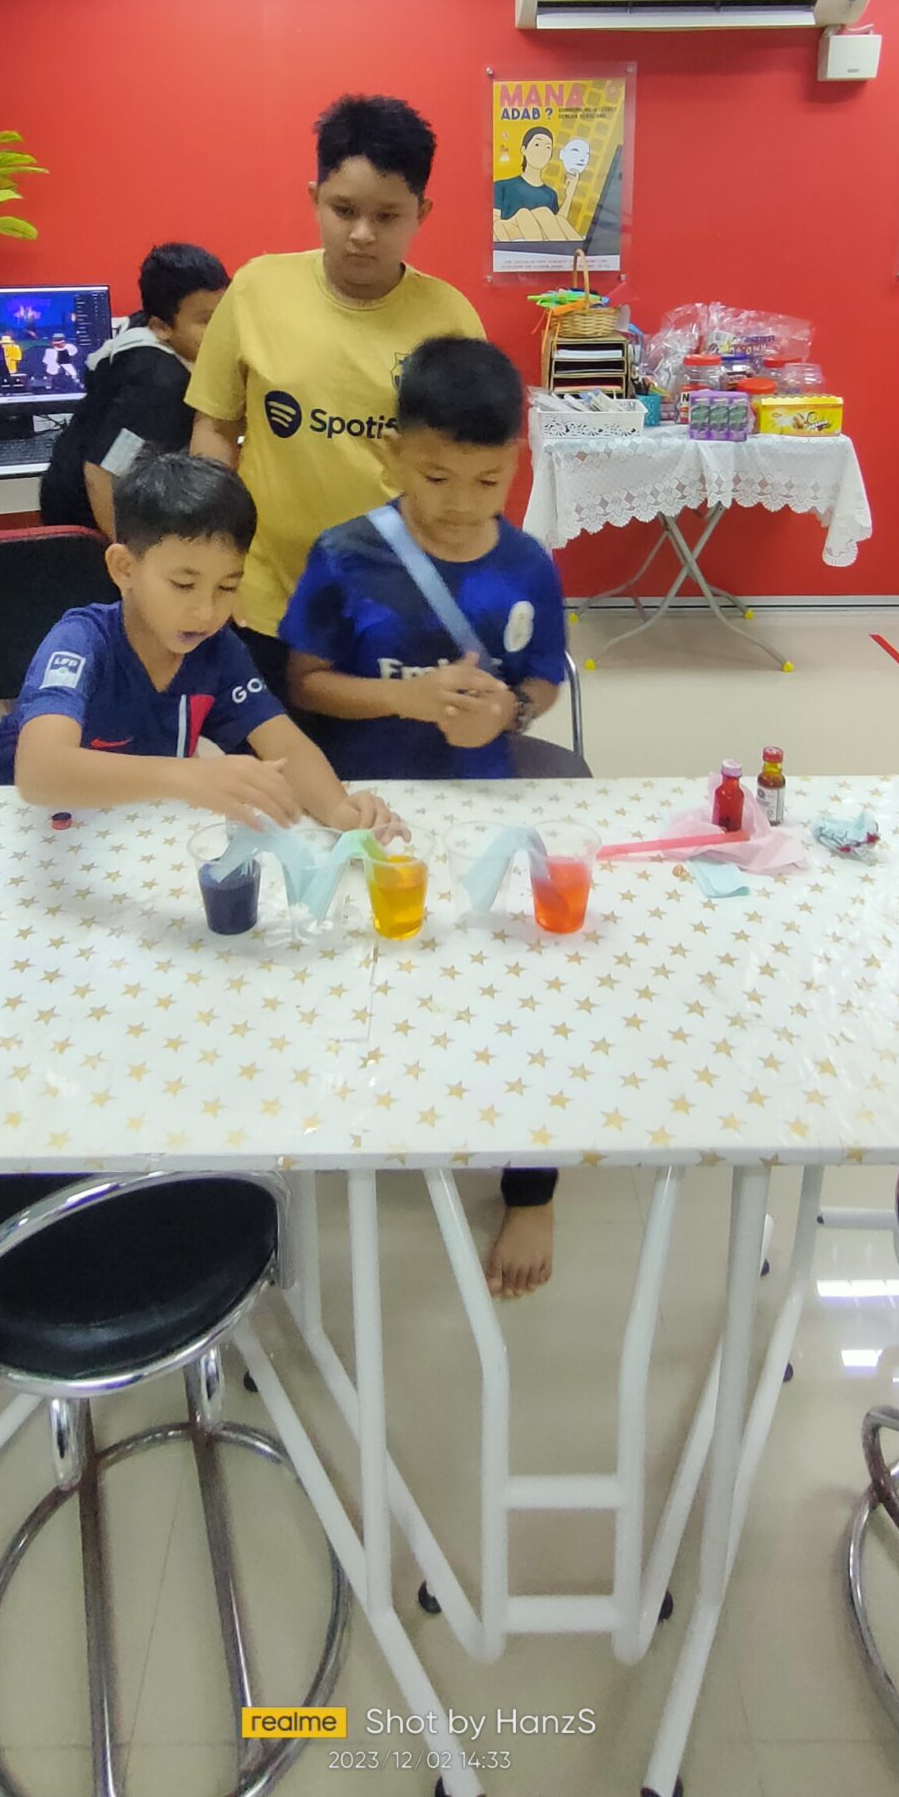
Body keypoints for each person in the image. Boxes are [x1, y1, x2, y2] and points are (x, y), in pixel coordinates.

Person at [0, 451, 401, 1313]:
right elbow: (41, 772)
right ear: (124, 567)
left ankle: (121, 1142)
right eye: (183, 583)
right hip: (12, 843)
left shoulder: (216, 649)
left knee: (123, 1001)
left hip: (114, 850)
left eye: (227, 586)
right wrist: (191, 777)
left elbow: (284, 743)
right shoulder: (82, 639)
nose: (205, 610)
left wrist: (343, 813)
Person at [281, 336, 590, 1301]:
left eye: (487, 480)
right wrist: (403, 700)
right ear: (392, 455)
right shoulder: (345, 554)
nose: (460, 503)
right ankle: (359, 1108)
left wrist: (512, 711)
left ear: (517, 463)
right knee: (361, 972)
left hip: (482, 802)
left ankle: (531, 1186)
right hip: (367, 806)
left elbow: (541, 678)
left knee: (518, 995)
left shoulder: (527, 562)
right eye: (435, 476)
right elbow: (304, 685)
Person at [187, 95, 483, 710]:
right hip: (265, 600)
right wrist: (214, 566)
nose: (362, 234)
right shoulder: (256, 290)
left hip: (396, 602)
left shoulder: (451, 320)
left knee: (385, 765)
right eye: (343, 209)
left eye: (387, 215)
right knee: (275, 764)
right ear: (314, 196)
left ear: (422, 212)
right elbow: (215, 428)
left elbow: (470, 470)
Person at [41, 243, 228, 536]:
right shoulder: (157, 383)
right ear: (161, 327)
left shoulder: (154, 330)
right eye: (205, 322)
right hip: (86, 523)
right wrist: (125, 551)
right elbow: (103, 471)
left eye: (225, 317)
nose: (222, 333)